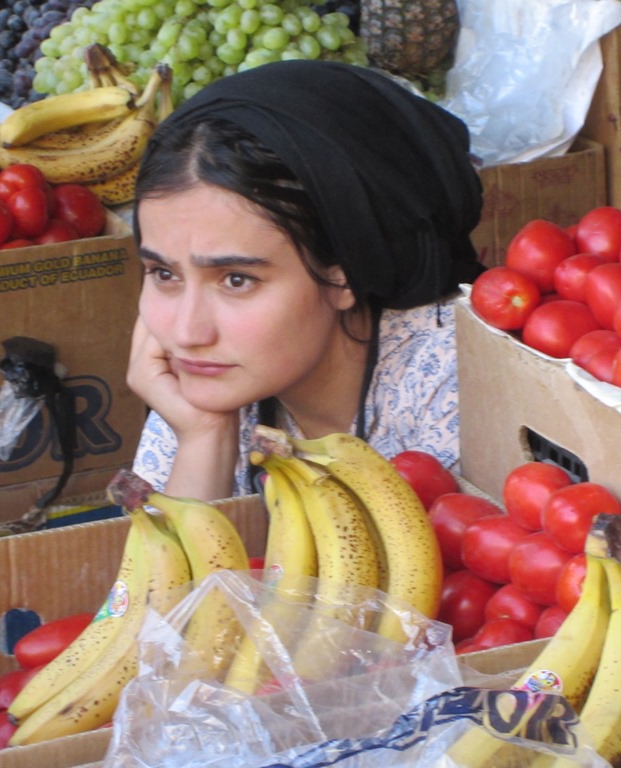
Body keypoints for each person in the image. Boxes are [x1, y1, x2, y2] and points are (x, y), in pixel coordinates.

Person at [128, 59, 484, 501]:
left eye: (236, 279)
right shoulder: (206, 379)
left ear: (343, 272)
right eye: (164, 274)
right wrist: (203, 438)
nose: (186, 332)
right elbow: (162, 571)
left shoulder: (458, 389)